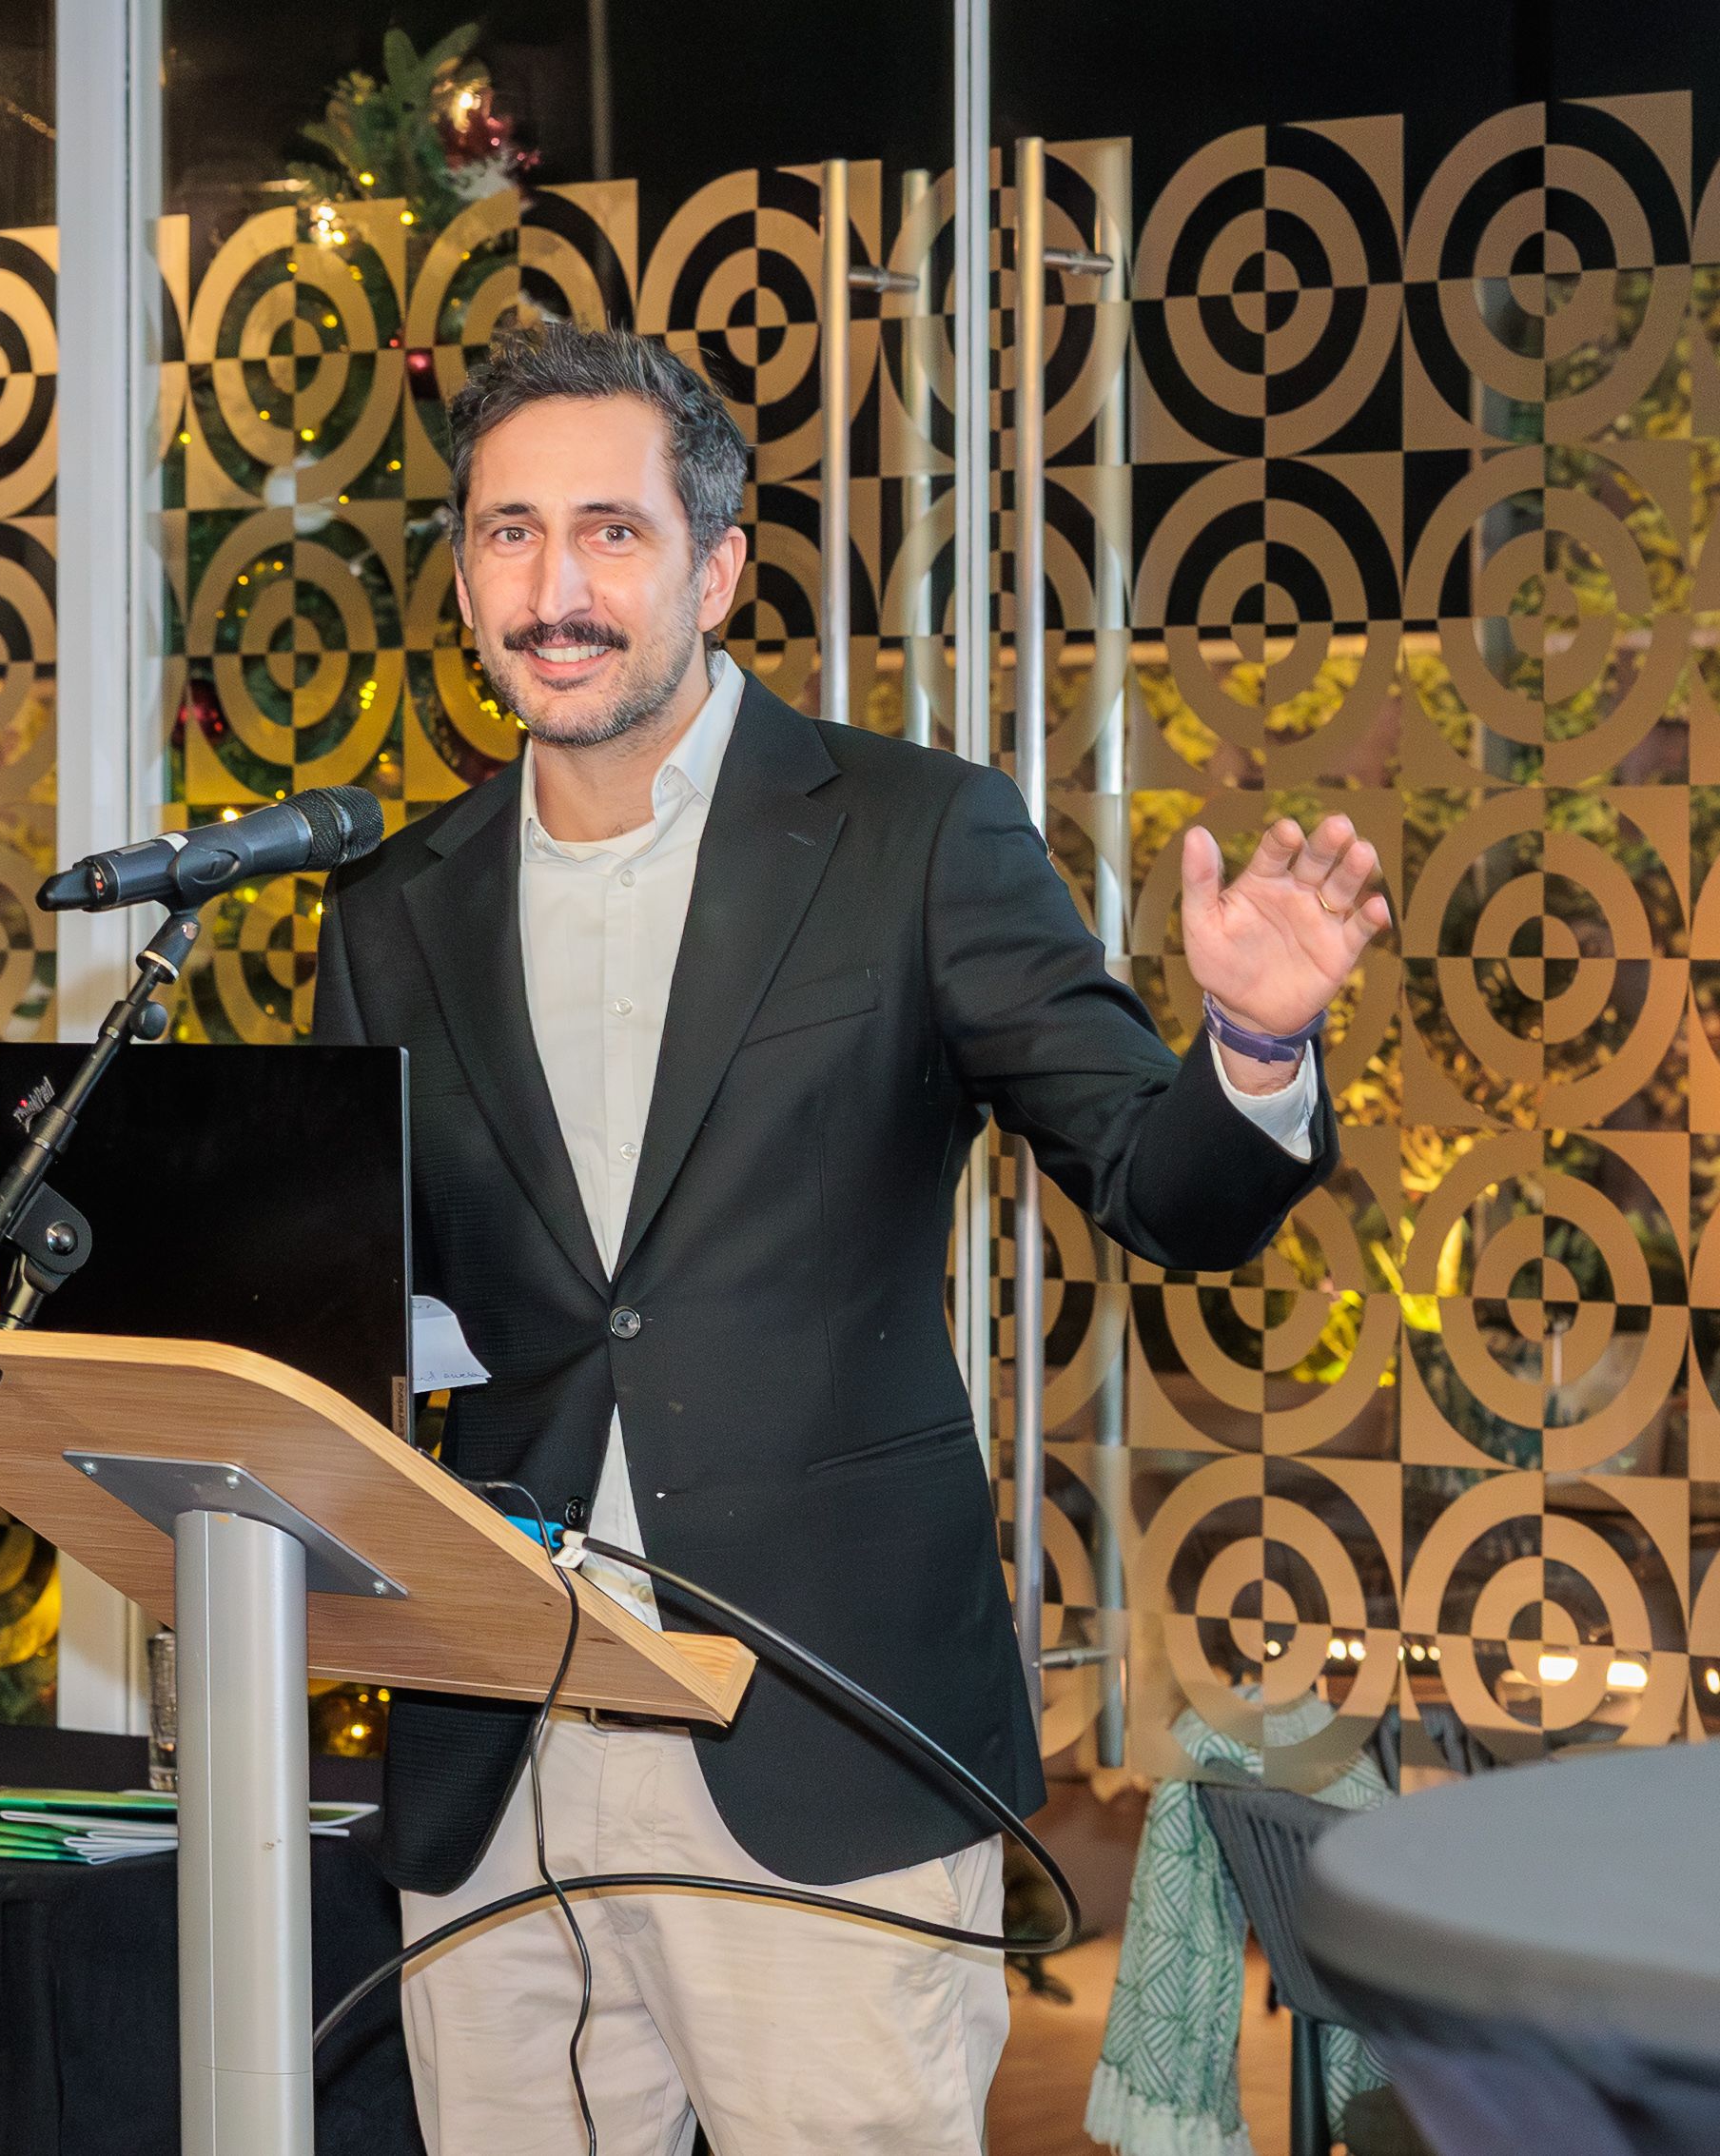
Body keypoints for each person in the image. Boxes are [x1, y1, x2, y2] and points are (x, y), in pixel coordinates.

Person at [309, 323, 1384, 2153]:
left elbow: (1158, 1186)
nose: (554, 589)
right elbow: (371, 1307)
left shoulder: (912, 836)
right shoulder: (394, 900)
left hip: (821, 1740)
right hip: (497, 1757)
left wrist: (1256, 1053)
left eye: (610, 532)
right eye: (508, 534)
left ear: (717, 567)